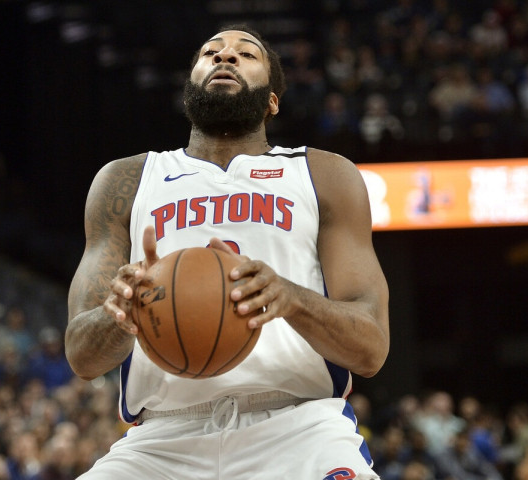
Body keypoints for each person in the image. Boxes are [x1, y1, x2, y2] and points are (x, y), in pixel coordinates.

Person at [65, 23, 389, 479]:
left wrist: (291, 298)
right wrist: (119, 313)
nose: (225, 56)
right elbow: (81, 356)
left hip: (299, 429)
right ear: (189, 91)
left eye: (247, 54)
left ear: (272, 100)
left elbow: (371, 349)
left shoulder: (324, 174)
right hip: (164, 440)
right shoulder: (125, 180)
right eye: (210, 52)